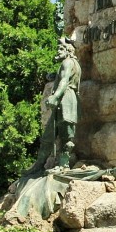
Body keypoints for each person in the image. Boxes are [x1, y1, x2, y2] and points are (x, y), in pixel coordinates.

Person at [41, 38, 81, 169]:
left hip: (66, 98)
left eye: (61, 49)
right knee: (59, 133)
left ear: (68, 50)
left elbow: (64, 80)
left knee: (66, 134)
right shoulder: (74, 63)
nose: (57, 51)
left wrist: (55, 96)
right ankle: (55, 164)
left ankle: (64, 165)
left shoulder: (67, 62)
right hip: (69, 98)